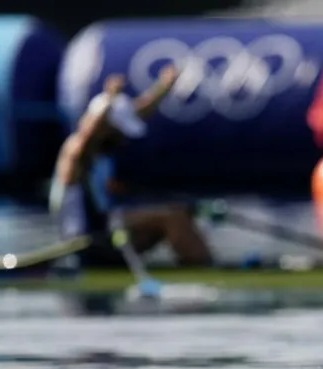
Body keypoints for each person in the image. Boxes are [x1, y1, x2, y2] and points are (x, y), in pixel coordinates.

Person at [48, 67, 213, 268]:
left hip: (106, 233)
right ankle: (204, 269)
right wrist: (109, 98)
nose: (124, 138)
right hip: (84, 245)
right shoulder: (75, 153)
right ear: (104, 128)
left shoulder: (102, 151)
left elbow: (137, 113)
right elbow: (88, 133)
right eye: (120, 131)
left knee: (180, 209)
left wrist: (163, 88)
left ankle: (199, 264)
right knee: (173, 216)